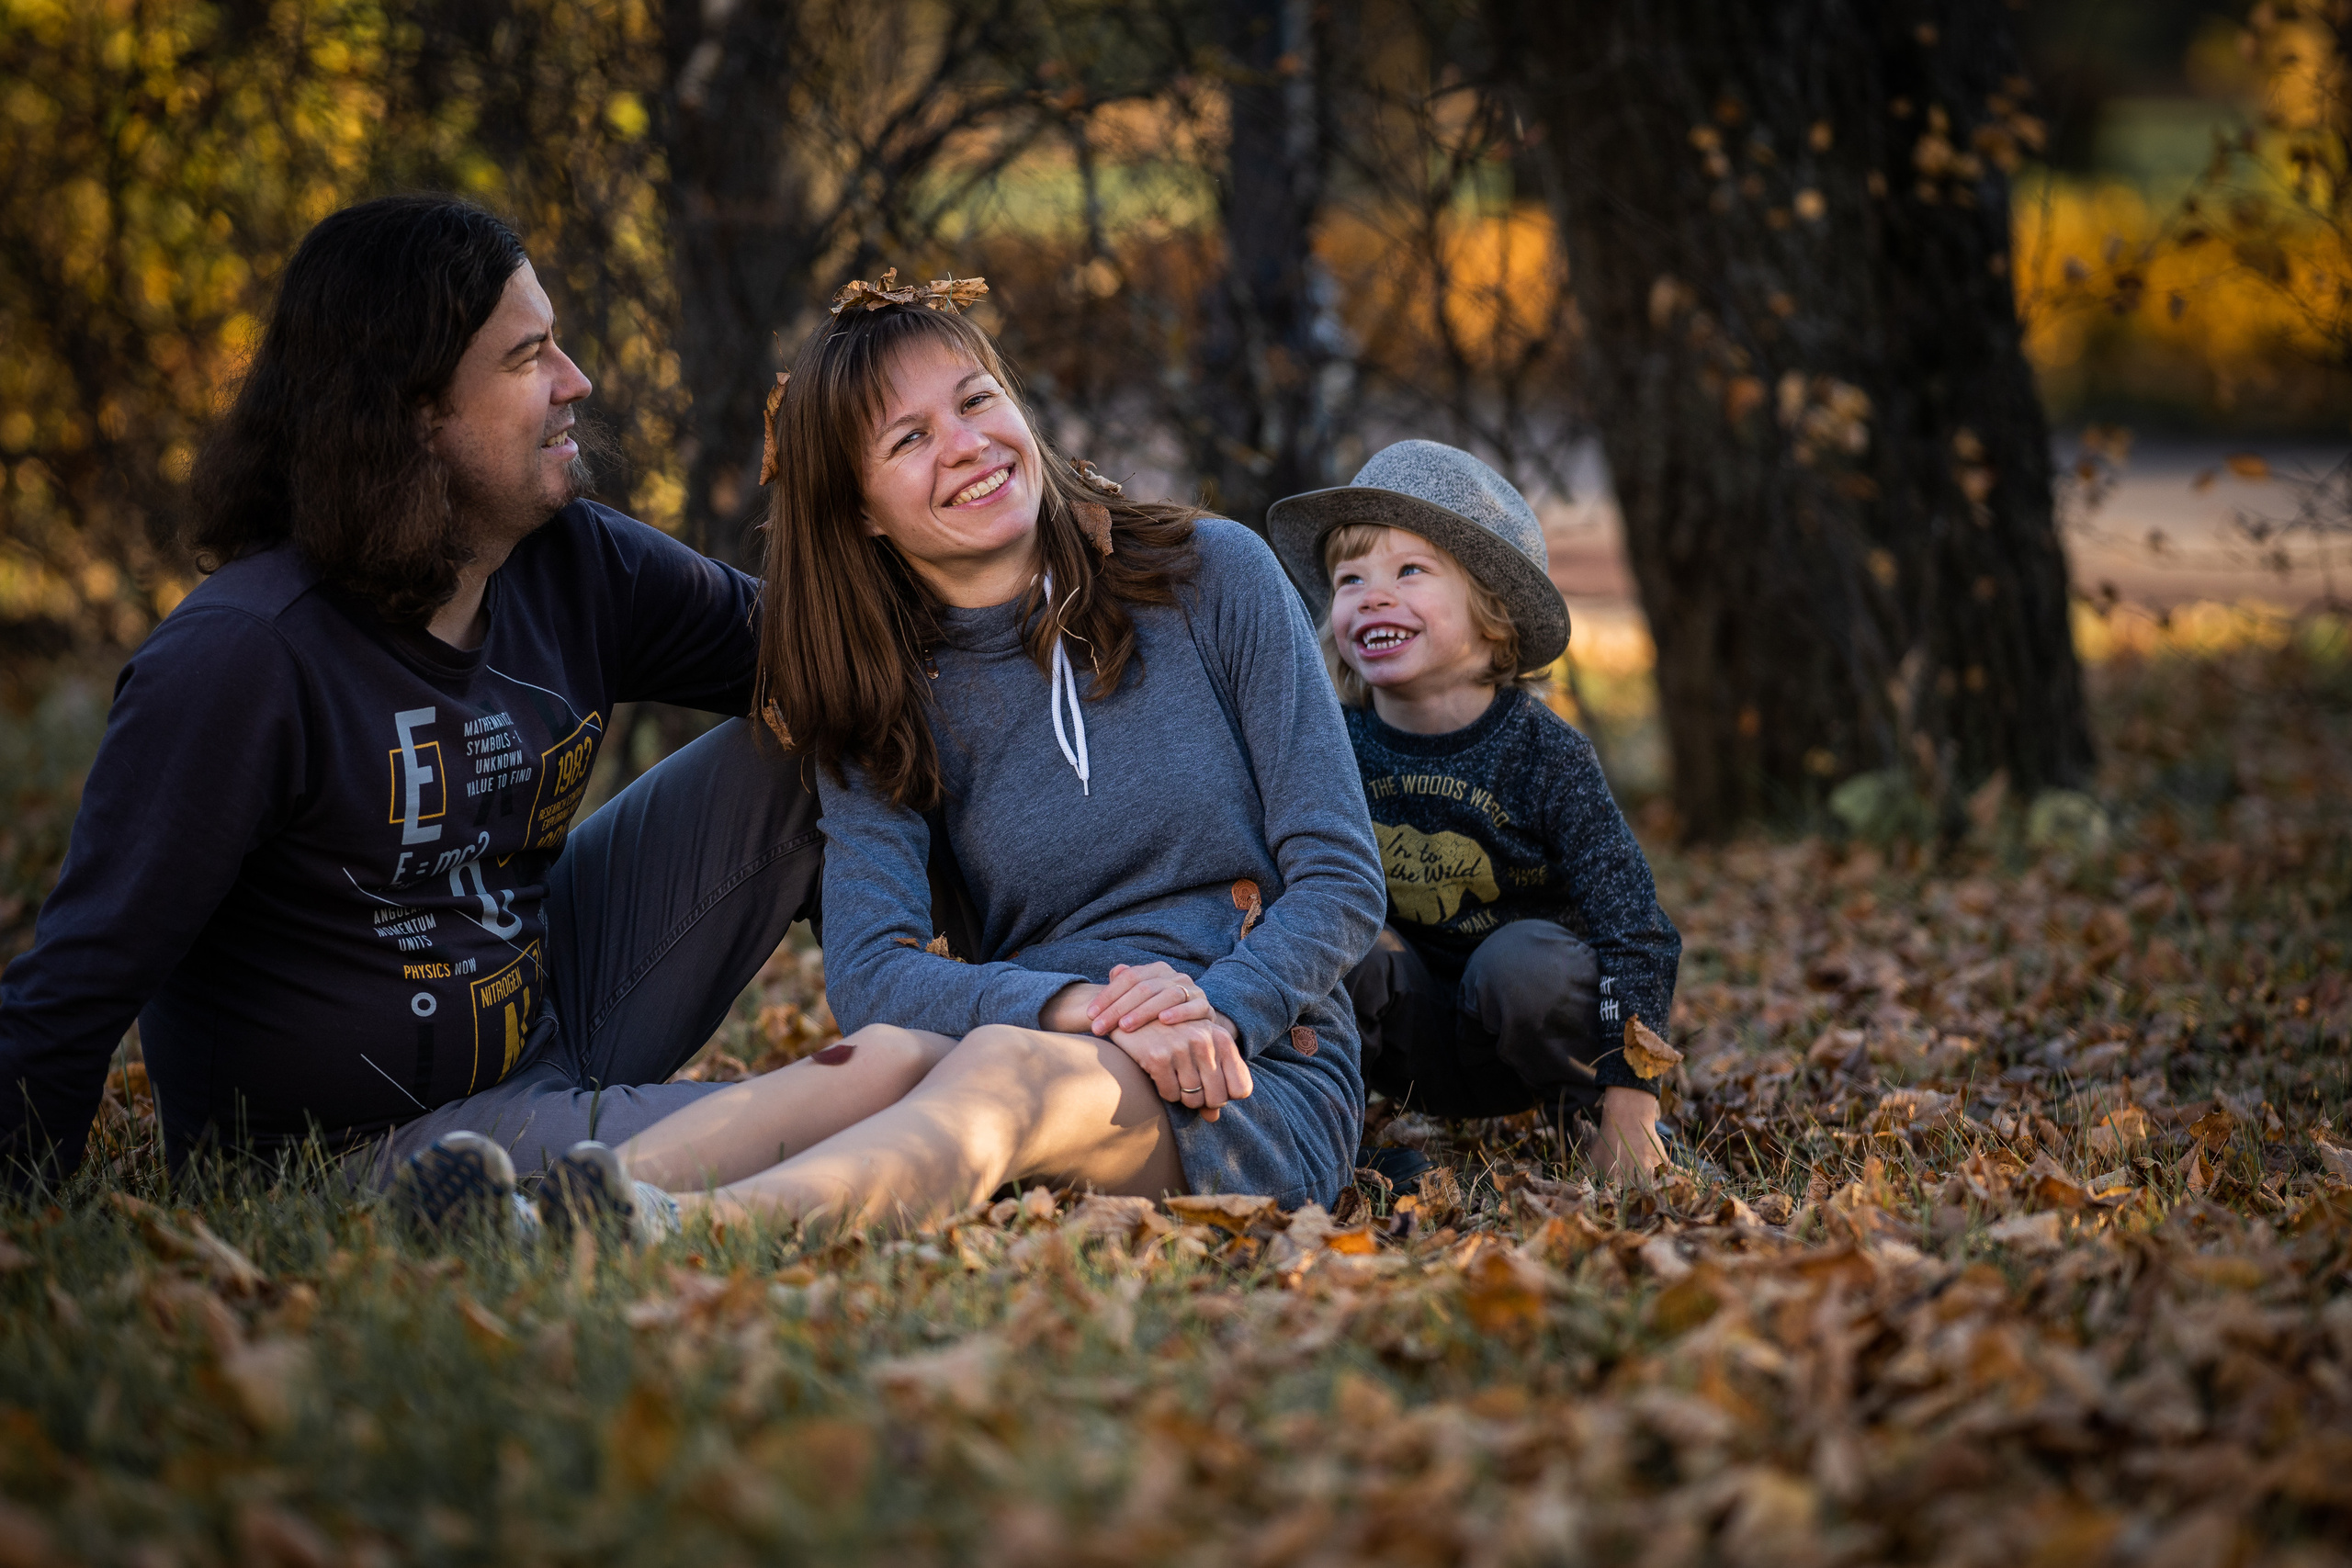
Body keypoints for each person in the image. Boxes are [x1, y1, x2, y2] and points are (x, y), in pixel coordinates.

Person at [458, 269, 1388, 1238]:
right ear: (859, 508)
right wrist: (1075, 1004)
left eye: (977, 401)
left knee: (994, 1064)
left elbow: (1339, 873)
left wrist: (1217, 1006)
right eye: (910, 440)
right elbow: (871, 974)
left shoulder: (1210, 576)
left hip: (1251, 1063)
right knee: (885, 1057)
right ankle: (530, 1217)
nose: (968, 447)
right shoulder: (879, 689)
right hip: (1046, 1039)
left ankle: (682, 1230)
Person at [0, 195, 861, 1199]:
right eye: (526, 357)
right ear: (413, 411)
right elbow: (77, 977)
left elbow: (835, 656)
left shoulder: (569, 564)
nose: (574, 382)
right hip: (354, 1146)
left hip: (549, 1019)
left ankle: (1032, 997)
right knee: (857, 1118)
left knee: (820, 729)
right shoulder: (241, 659)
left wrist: (1045, 588)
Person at [1265, 441, 1683, 1182]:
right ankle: (1323, 1131)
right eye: (1350, 577)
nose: (1371, 594)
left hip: (1532, 1030)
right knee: (1337, 937)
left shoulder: (1544, 756)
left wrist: (1633, 1098)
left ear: (1490, 610)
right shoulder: (1332, 743)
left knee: (1519, 962)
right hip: (1410, 1037)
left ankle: (1595, 1129)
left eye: (1409, 571)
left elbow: (1636, 929)